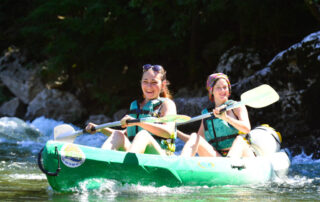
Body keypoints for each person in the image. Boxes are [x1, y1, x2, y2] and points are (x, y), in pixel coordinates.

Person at [86, 64, 177, 156]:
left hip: (161, 156)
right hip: (136, 154)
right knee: (118, 134)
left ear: (163, 84)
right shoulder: (135, 105)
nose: (149, 86)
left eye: (154, 82)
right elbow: (127, 134)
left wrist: (138, 122)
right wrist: (100, 129)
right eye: (145, 81)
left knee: (143, 135)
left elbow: (168, 132)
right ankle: (101, 160)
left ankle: (127, 166)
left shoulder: (167, 104)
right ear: (141, 82)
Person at [178, 73, 255, 158]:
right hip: (220, 157)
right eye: (218, 88)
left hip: (242, 154)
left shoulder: (237, 106)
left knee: (240, 140)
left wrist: (226, 118)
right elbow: (195, 141)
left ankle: (229, 165)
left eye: (225, 87)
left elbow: (247, 128)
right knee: (195, 136)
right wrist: (177, 133)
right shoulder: (206, 114)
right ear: (211, 91)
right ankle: (181, 162)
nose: (222, 91)